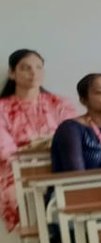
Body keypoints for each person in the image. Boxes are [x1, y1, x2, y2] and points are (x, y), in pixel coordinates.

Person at [0, 49, 78, 231]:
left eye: (38, 67)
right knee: (20, 193)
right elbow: (5, 148)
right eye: (25, 68)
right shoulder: (2, 108)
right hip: (17, 169)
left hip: (57, 164)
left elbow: (72, 136)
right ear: (12, 73)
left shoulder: (59, 103)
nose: (33, 72)